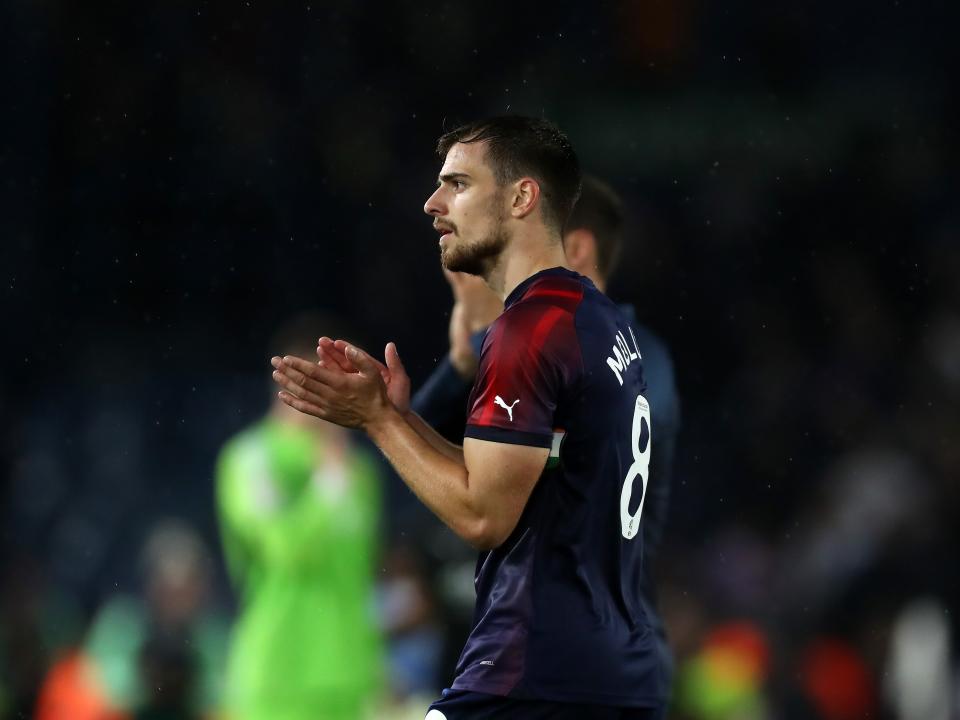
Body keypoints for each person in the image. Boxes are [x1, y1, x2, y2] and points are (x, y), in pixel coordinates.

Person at [271, 116, 666, 718]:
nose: (433, 204)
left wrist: (378, 422)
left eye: (457, 184)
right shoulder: (603, 324)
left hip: (532, 674)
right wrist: (400, 418)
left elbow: (484, 513)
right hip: (609, 673)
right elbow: (531, 474)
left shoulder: (528, 332)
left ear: (521, 197)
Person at [411, 175, 680, 716]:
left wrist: (493, 338)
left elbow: (542, 458)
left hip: (572, 646)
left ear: (575, 248)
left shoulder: (607, 356)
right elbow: (419, 448)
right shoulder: (612, 352)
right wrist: (467, 359)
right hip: (544, 640)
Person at [217, 318, 385, 720]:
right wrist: (328, 481)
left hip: (352, 679)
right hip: (277, 678)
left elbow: (363, 572)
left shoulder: (361, 471)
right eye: (340, 382)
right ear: (297, 381)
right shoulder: (250, 459)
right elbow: (284, 550)